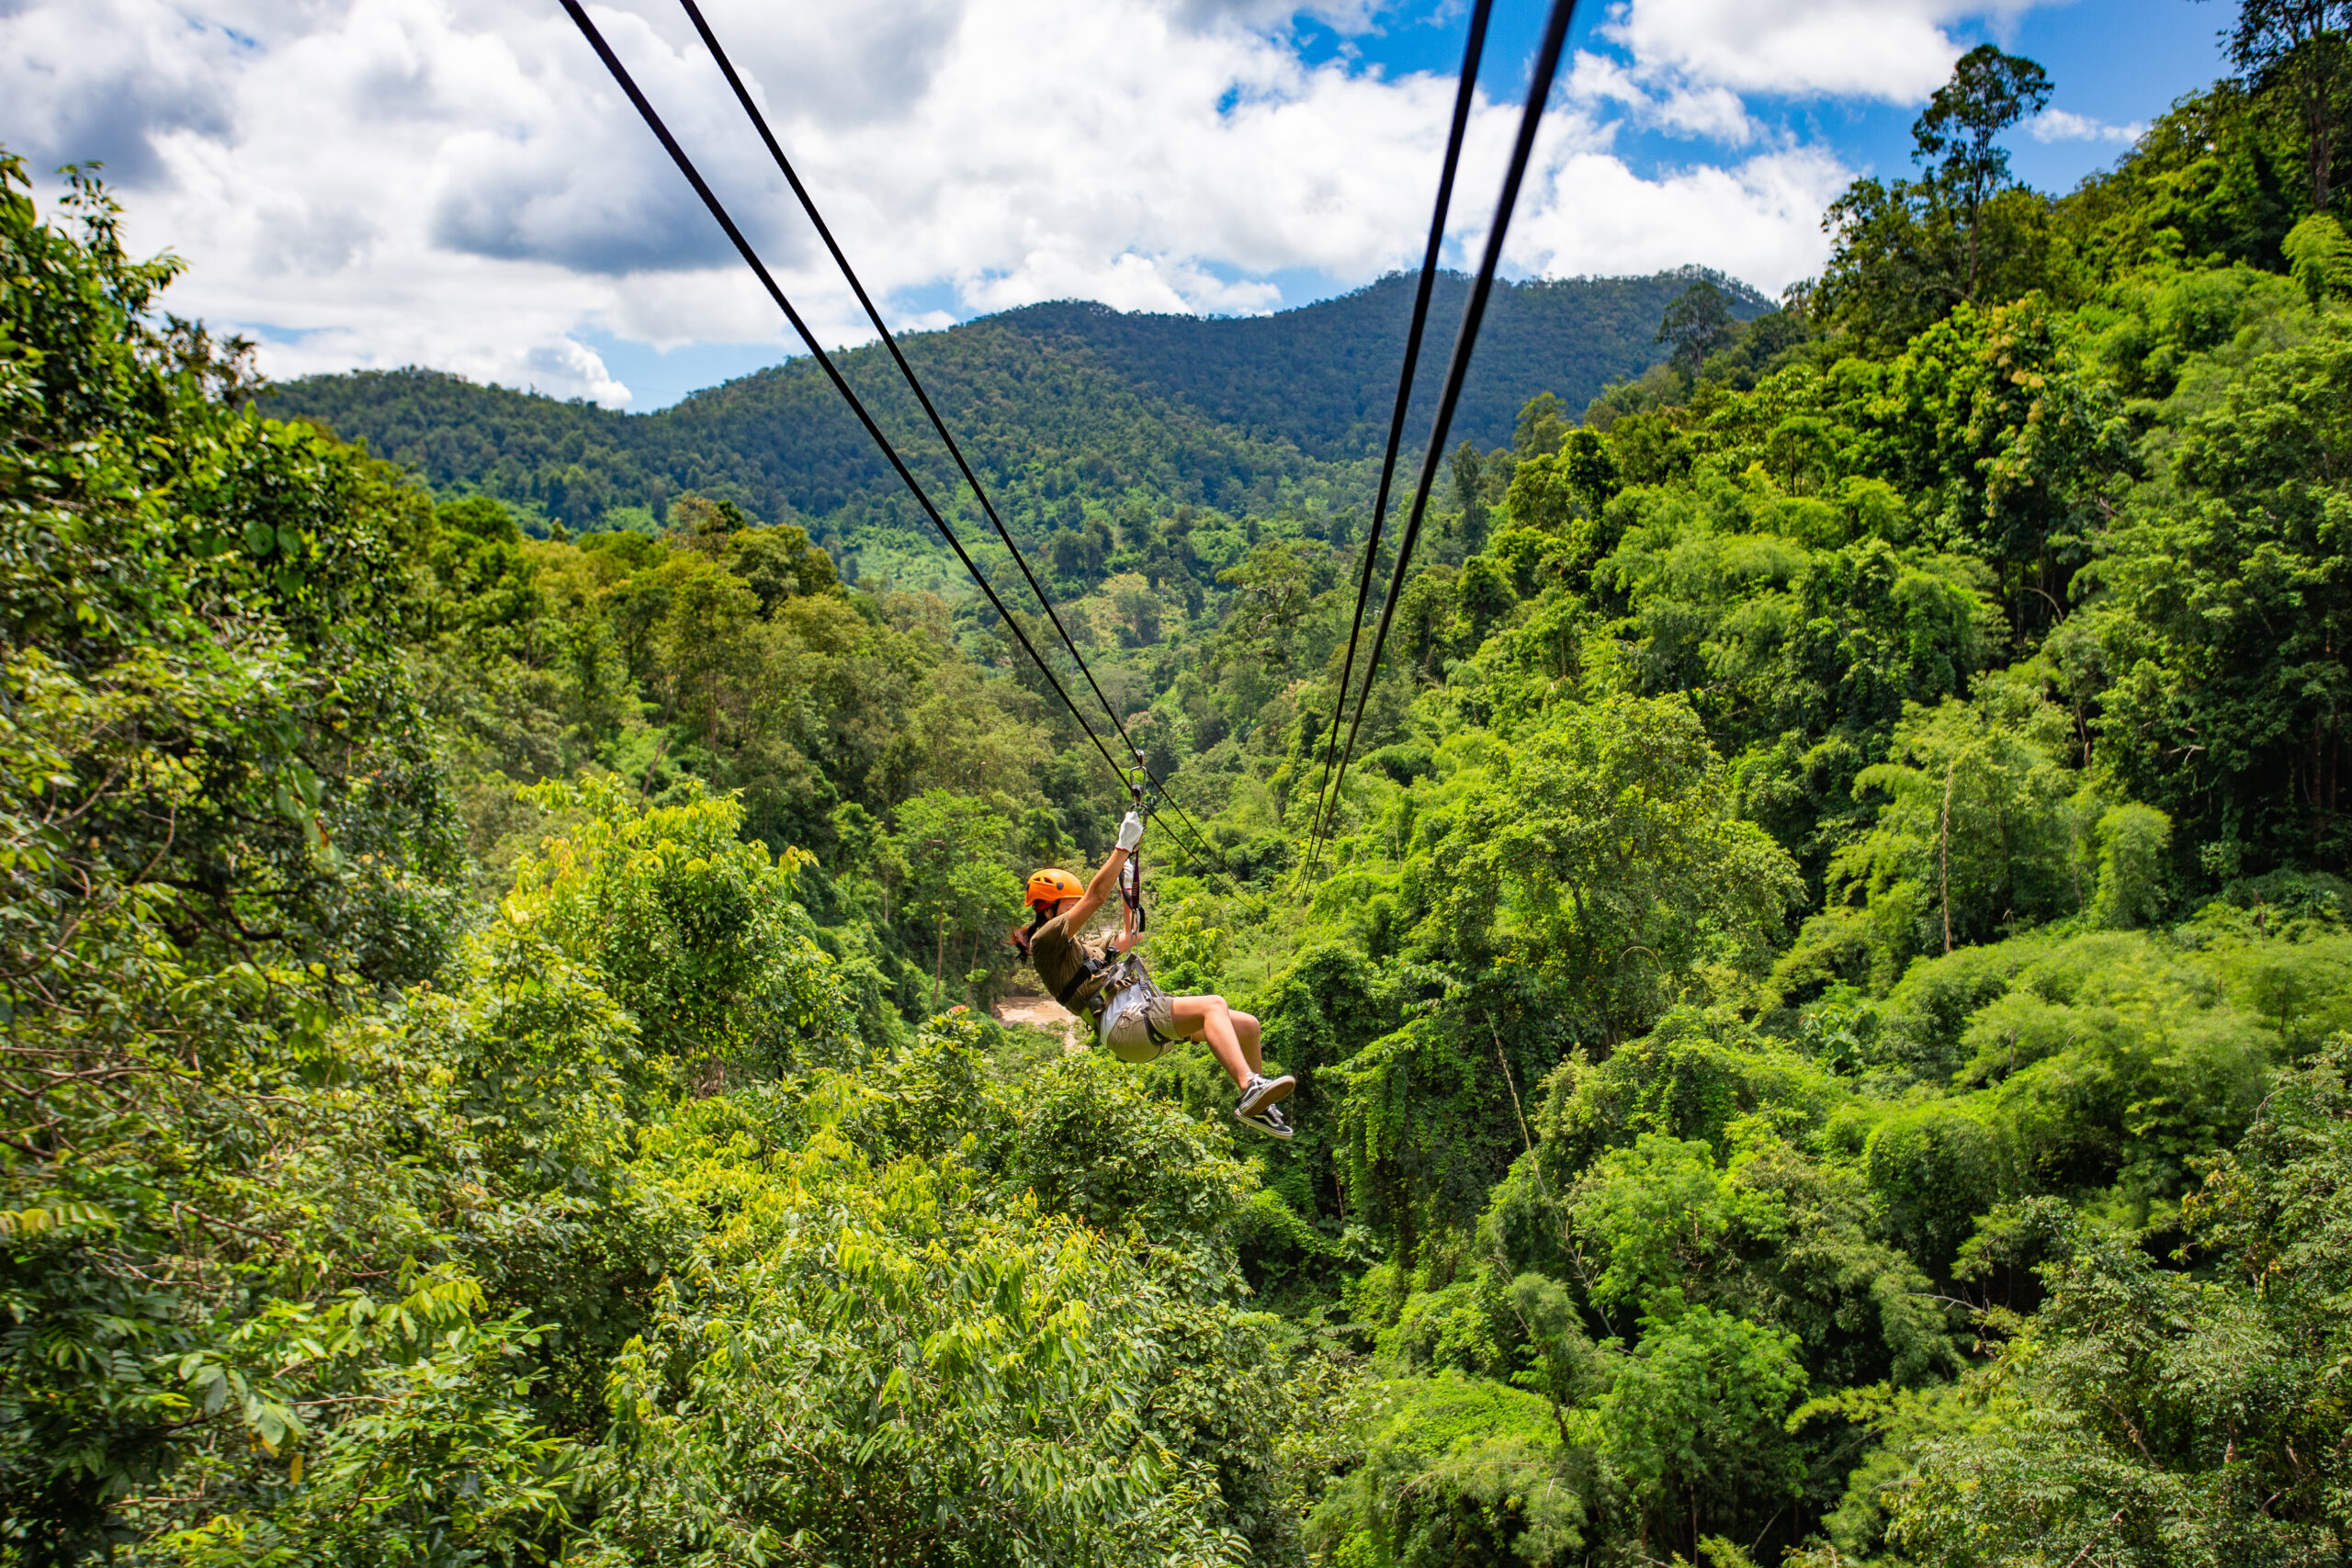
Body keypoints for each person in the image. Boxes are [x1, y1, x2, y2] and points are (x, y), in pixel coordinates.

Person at [1012, 809, 1296, 1138]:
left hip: (1136, 1022)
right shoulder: (1045, 942)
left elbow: (1131, 937)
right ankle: (1249, 1087)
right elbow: (1095, 896)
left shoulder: (1082, 948)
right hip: (1127, 1023)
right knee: (1213, 1005)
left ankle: (1259, 1105)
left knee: (1248, 1026)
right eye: (1068, 905)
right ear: (1047, 908)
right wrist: (1122, 847)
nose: (1075, 911)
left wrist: (1127, 886)